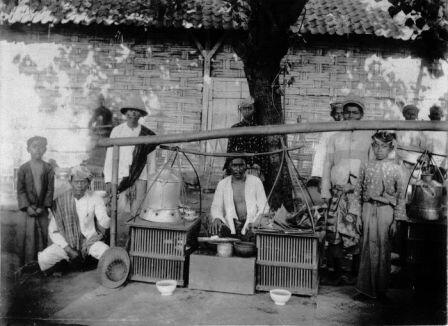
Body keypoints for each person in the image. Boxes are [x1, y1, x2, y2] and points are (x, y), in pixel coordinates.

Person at [321, 98, 372, 285]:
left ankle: (354, 273)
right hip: (337, 191)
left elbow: (371, 167)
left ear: (362, 115)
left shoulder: (369, 137)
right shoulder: (335, 137)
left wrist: (357, 186)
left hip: (358, 194)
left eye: (355, 112)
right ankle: (337, 272)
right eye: (348, 112)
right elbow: (327, 165)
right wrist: (325, 191)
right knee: (334, 232)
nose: (351, 116)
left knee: (356, 231)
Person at [354, 131, 406, 301]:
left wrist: (396, 221)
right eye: (376, 146)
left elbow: (401, 196)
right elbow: (357, 192)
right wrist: (357, 215)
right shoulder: (365, 165)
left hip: (386, 211)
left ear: (391, 147)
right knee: (366, 247)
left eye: (384, 146)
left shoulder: (397, 168)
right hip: (368, 209)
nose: (379, 150)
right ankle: (364, 290)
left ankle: (381, 290)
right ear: (372, 147)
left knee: (384, 248)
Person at [31, 165, 111, 274]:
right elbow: (53, 231)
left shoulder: (95, 198)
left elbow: (104, 223)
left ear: (88, 183)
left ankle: (82, 263)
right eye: (76, 182)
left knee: (107, 253)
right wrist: (68, 249)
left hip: (90, 242)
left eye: (83, 182)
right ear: (70, 182)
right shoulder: (60, 201)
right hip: (67, 243)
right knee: (45, 258)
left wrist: (108, 213)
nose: (80, 185)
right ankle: (74, 262)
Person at [103, 96, 156, 217]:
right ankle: (116, 235)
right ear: (125, 112)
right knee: (117, 210)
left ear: (141, 114)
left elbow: (151, 162)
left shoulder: (147, 134)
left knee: (137, 211)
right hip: (120, 177)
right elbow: (109, 158)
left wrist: (150, 183)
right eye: (130, 110)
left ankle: (132, 235)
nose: (132, 113)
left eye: (136, 110)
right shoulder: (117, 131)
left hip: (140, 177)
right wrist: (108, 180)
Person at [210, 156, 269, 241]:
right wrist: (217, 217)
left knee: (258, 237)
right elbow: (216, 206)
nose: (238, 169)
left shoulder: (256, 182)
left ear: (246, 166)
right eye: (234, 165)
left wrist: (255, 223)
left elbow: (264, 207)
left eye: (241, 165)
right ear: (230, 167)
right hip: (230, 225)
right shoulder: (222, 184)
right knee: (214, 229)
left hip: (251, 225)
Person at [17, 136, 55, 266]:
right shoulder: (23, 168)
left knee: (44, 235)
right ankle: (27, 264)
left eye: (41, 147)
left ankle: (43, 265)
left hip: (42, 209)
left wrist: (43, 206)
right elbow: (21, 190)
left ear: (45, 149)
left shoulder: (48, 168)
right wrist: (27, 207)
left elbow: (50, 189)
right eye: (34, 146)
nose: (38, 150)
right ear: (28, 149)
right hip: (28, 209)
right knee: (28, 236)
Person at [224, 97, 268, 181]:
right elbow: (230, 150)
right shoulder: (235, 128)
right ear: (240, 110)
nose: (247, 111)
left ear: (254, 110)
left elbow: (263, 151)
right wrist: (228, 168)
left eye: (249, 108)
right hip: (239, 167)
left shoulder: (259, 128)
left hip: (255, 167)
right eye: (244, 108)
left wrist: (262, 169)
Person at [311, 101, 343, 178]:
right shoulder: (328, 128)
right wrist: (317, 173)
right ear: (332, 114)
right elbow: (321, 150)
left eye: (341, 113)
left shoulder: (348, 127)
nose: (339, 116)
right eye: (336, 113)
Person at [423, 105, 447, 182]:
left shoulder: (445, 130)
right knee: (428, 183)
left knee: (439, 183)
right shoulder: (426, 129)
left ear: (441, 116)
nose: (435, 117)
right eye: (433, 114)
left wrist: (444, 162)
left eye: (437, 114)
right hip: (429, 162)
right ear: (429, 116)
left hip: (442, 162)